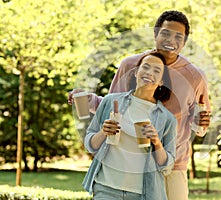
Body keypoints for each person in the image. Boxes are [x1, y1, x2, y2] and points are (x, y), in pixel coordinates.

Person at [69, 10, 211, 200]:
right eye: (166, 33)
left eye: (179, 36)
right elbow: (115, 106)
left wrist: (201, 122)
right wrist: (89, 100)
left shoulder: (195, 76)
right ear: (155, 34)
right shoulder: (131, 64)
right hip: (131, 162)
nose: (171, 40)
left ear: (184, 42)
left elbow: (199, 125)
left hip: (173, 163)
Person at [82, 52, 177, 200]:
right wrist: (103, 132)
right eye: (145, 67)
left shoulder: (167, 119)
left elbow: (166, 166)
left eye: (157, 71)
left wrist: (157, 143)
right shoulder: (110, 101)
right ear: (135, 72)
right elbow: (90, 144)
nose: (149, 73)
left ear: (161, 82)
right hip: (105, 188)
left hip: (142, 193)